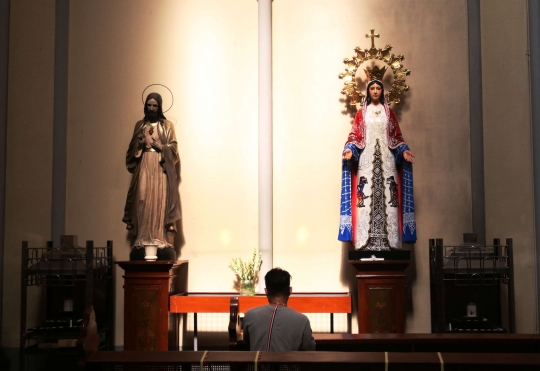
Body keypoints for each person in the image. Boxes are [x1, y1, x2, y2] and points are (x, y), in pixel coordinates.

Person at [338, 79, 416, 250]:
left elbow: (397, 137)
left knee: (390, 198)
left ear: (382, 91)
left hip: (387, 161)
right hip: (366, 161)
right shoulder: (361, 113)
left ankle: (391, 244)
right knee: (364, 200)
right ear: (368, 91)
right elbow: (355, 136)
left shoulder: (389, 113)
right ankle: (365, 243)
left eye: (378, 88)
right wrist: (350, 149)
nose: (375, 91)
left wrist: (403, 150)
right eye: (372, 88)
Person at [123, 92, 181, 260]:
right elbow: (130, 153)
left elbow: (174, 149)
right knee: (142, 199)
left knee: (159, 202)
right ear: (145, 106)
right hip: (144, 166)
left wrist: (162, 147)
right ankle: (142, 239)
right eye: (149, 105)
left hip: (160, 168)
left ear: (160, 107)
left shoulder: (167, 125)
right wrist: (140, 145)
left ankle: (160, 240)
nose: (151, 108)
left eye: (155, 106)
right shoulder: (139, 125)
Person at [242, 268, 316, 351]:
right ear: (290, 290)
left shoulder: (250, 315)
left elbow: (247, 345)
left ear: (266, 291)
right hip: (289, 364)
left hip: (257, 364)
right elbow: (310, 351)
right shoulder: (302, 320)